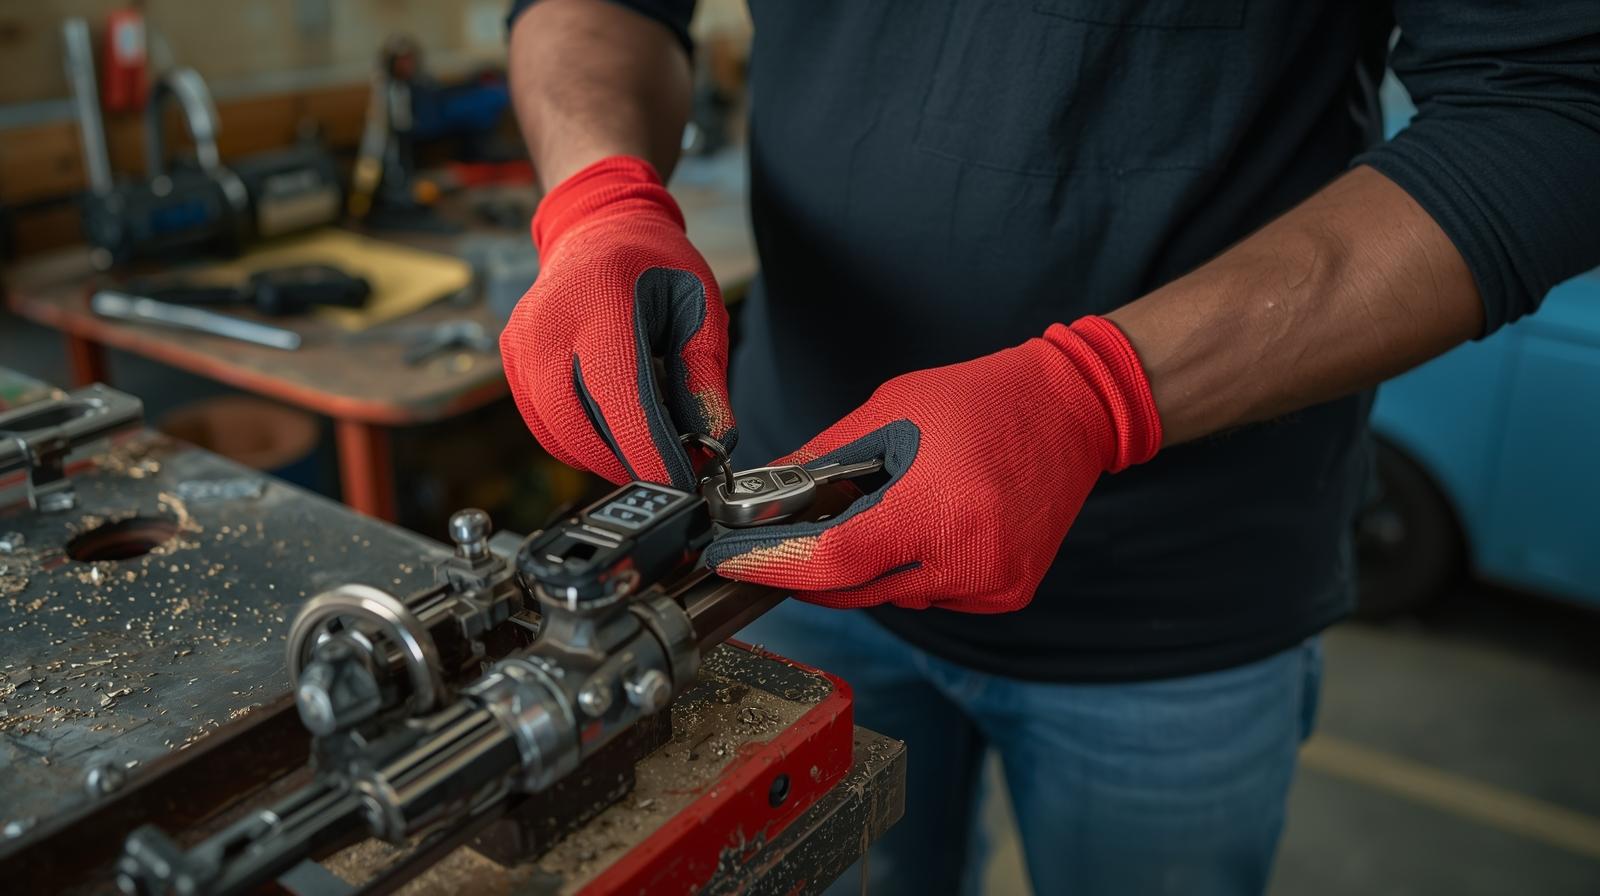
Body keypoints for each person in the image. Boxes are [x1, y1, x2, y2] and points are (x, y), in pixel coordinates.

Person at [499, 1, 1600, 893]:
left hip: (1179, 598)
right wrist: (598, 195)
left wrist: (1098, 395)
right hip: (794, 547)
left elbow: (1555, 103)